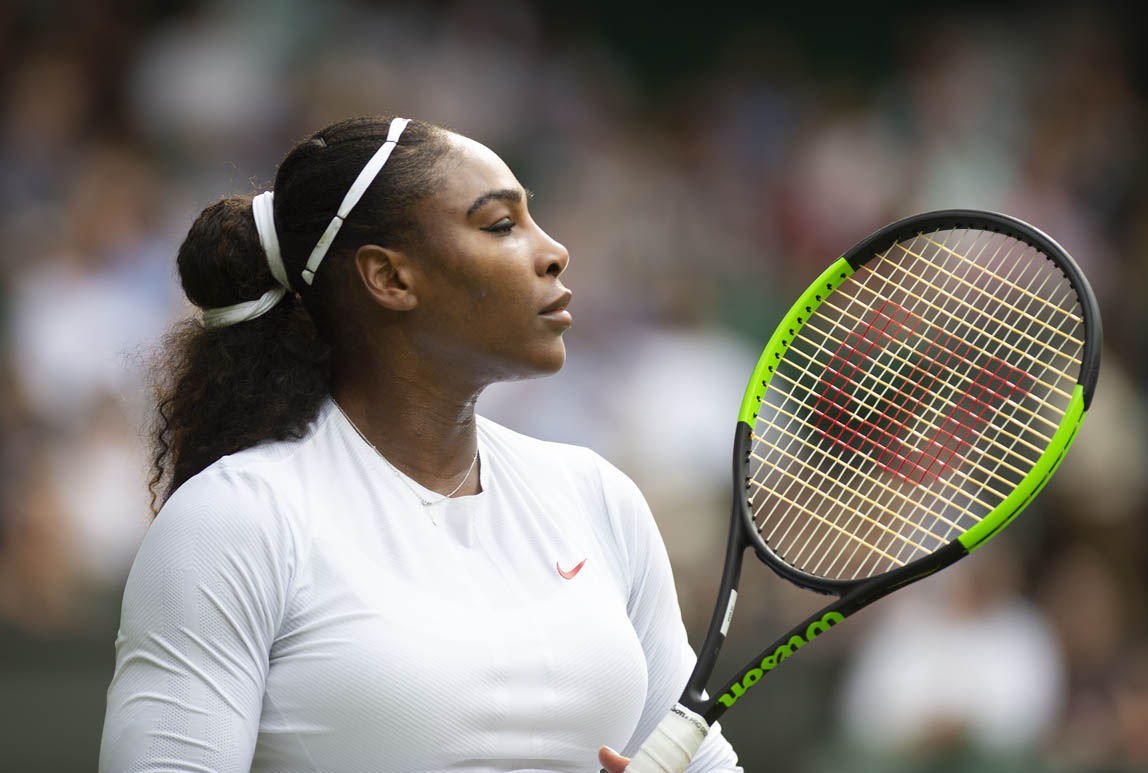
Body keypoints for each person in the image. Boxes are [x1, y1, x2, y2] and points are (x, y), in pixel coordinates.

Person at [98, 115, 742, 773]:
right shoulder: (234, 518)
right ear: (390, 278)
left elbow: (704, 764)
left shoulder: (597, 497)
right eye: (501, 225)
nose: (554, 251)